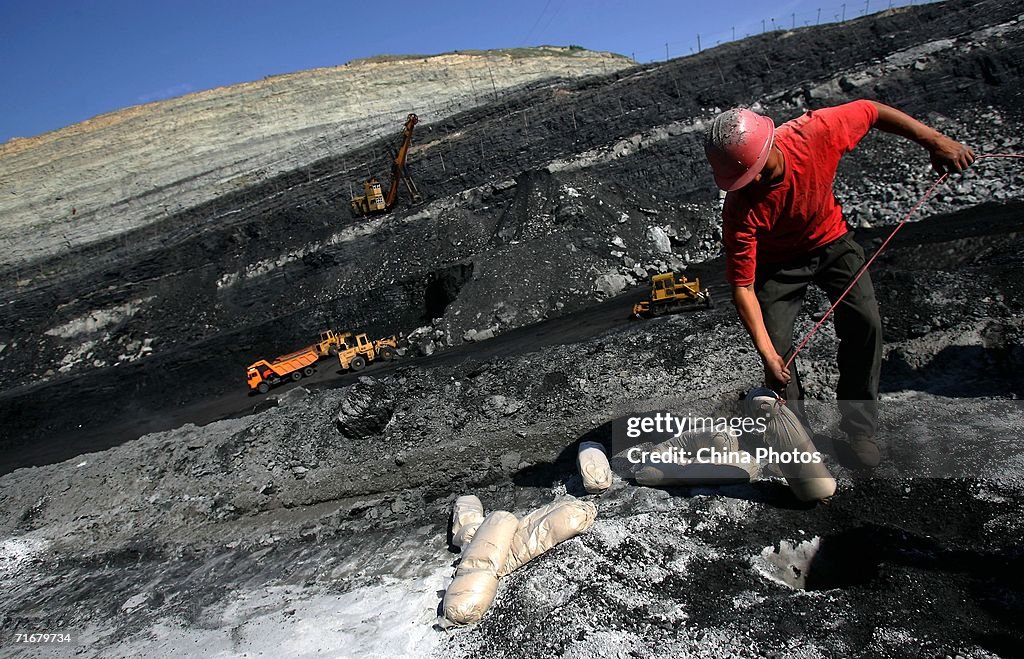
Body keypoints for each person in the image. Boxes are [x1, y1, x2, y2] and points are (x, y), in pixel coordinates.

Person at [703, 100, 974, 467]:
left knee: (865, 321)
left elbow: (872, 111)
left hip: (831, 241)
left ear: (769, 146)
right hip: (777, 264)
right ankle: (796, 441)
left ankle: (860, 429)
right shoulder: (739, 206)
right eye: (743, 180)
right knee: (778, 349)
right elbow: (743, 288)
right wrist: (769, 356)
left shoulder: (815, 133)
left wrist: (936, 140)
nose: (753, 184)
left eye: (757, 172)